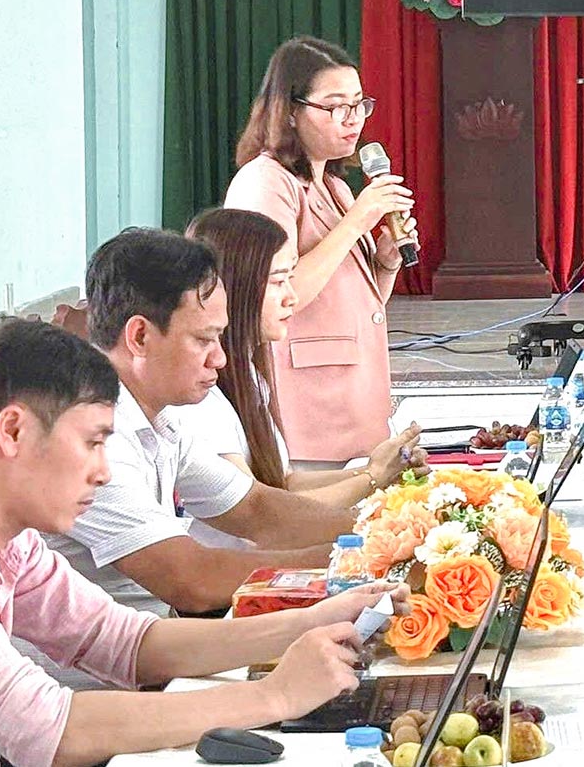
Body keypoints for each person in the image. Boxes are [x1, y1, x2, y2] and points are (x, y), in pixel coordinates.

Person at [0, 318, 400, 765]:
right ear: (13, 431)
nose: (104, 470)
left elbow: (126, 644)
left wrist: (309, 620)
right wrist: (272, 694)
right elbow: (48, 733)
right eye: (92, 442)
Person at [49, 228, 356, 616]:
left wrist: (375, 533)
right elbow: (192, 580)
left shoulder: (163, 416)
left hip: (155, 645)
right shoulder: (91, 437)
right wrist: (352, 558)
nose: (220, 359)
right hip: (103, 673)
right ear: (140, 336)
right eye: (203, 340)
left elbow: (254, 508)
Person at [225, 35, 415, 464]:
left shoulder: (334, 186)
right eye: (334, 107)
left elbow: (355, 305)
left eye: (359, 104)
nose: (352, 120)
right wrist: (356, 223)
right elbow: (273, 296)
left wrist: (385, 264)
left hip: (355, 402)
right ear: (291, 112)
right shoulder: (266, 182)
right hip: (306, 409)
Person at [176, 207, 424, 527]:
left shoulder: (249, 375)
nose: (292, 297)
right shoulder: (200, 399)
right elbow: (258, 515)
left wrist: (380, 469)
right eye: (279, 281)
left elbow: (283, 483)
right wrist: (373, 478)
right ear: (237, 288)